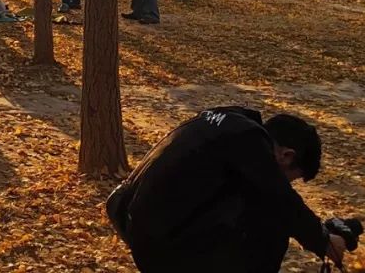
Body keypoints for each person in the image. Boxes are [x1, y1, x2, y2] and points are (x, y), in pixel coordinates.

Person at [107, 105, 349, 273]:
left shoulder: (227, 121)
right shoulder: (249, 140)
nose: (284, 182)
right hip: (163, 249)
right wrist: (323, 240)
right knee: (272, 223)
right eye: (290, 178)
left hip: (141, 226)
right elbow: (281, 198)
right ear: (286, 156)